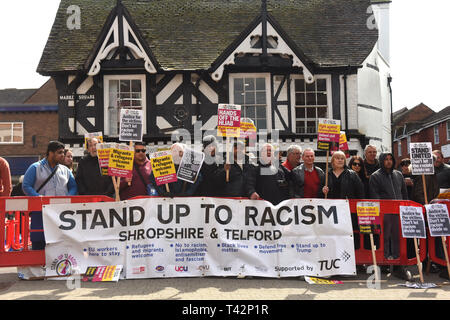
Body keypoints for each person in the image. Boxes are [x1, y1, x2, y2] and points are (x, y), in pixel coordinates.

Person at [22, 141, 78, 250]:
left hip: (61, 214)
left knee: (61, 244)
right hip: (40, 213)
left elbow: (73, 187)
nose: (63, 155)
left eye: (63, 152)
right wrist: (39, 198)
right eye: (59, 152)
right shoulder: (35, 167)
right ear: (50, 153)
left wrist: (68, 197)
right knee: (39, 244)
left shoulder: (65, 170)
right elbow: (26, 186)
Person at [369, 152, 411, 281]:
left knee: (398, 237)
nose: (388, 161)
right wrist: (383, 209)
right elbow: (374, 195)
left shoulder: (398, 175)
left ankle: (398, 265)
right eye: (386, 159)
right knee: (385, 237)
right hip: (384, 213)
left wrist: (405, 208)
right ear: (382, 161)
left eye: (390, 159)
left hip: (398, 212)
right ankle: (385, 262)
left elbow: (404, 193)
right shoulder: (375, 176)